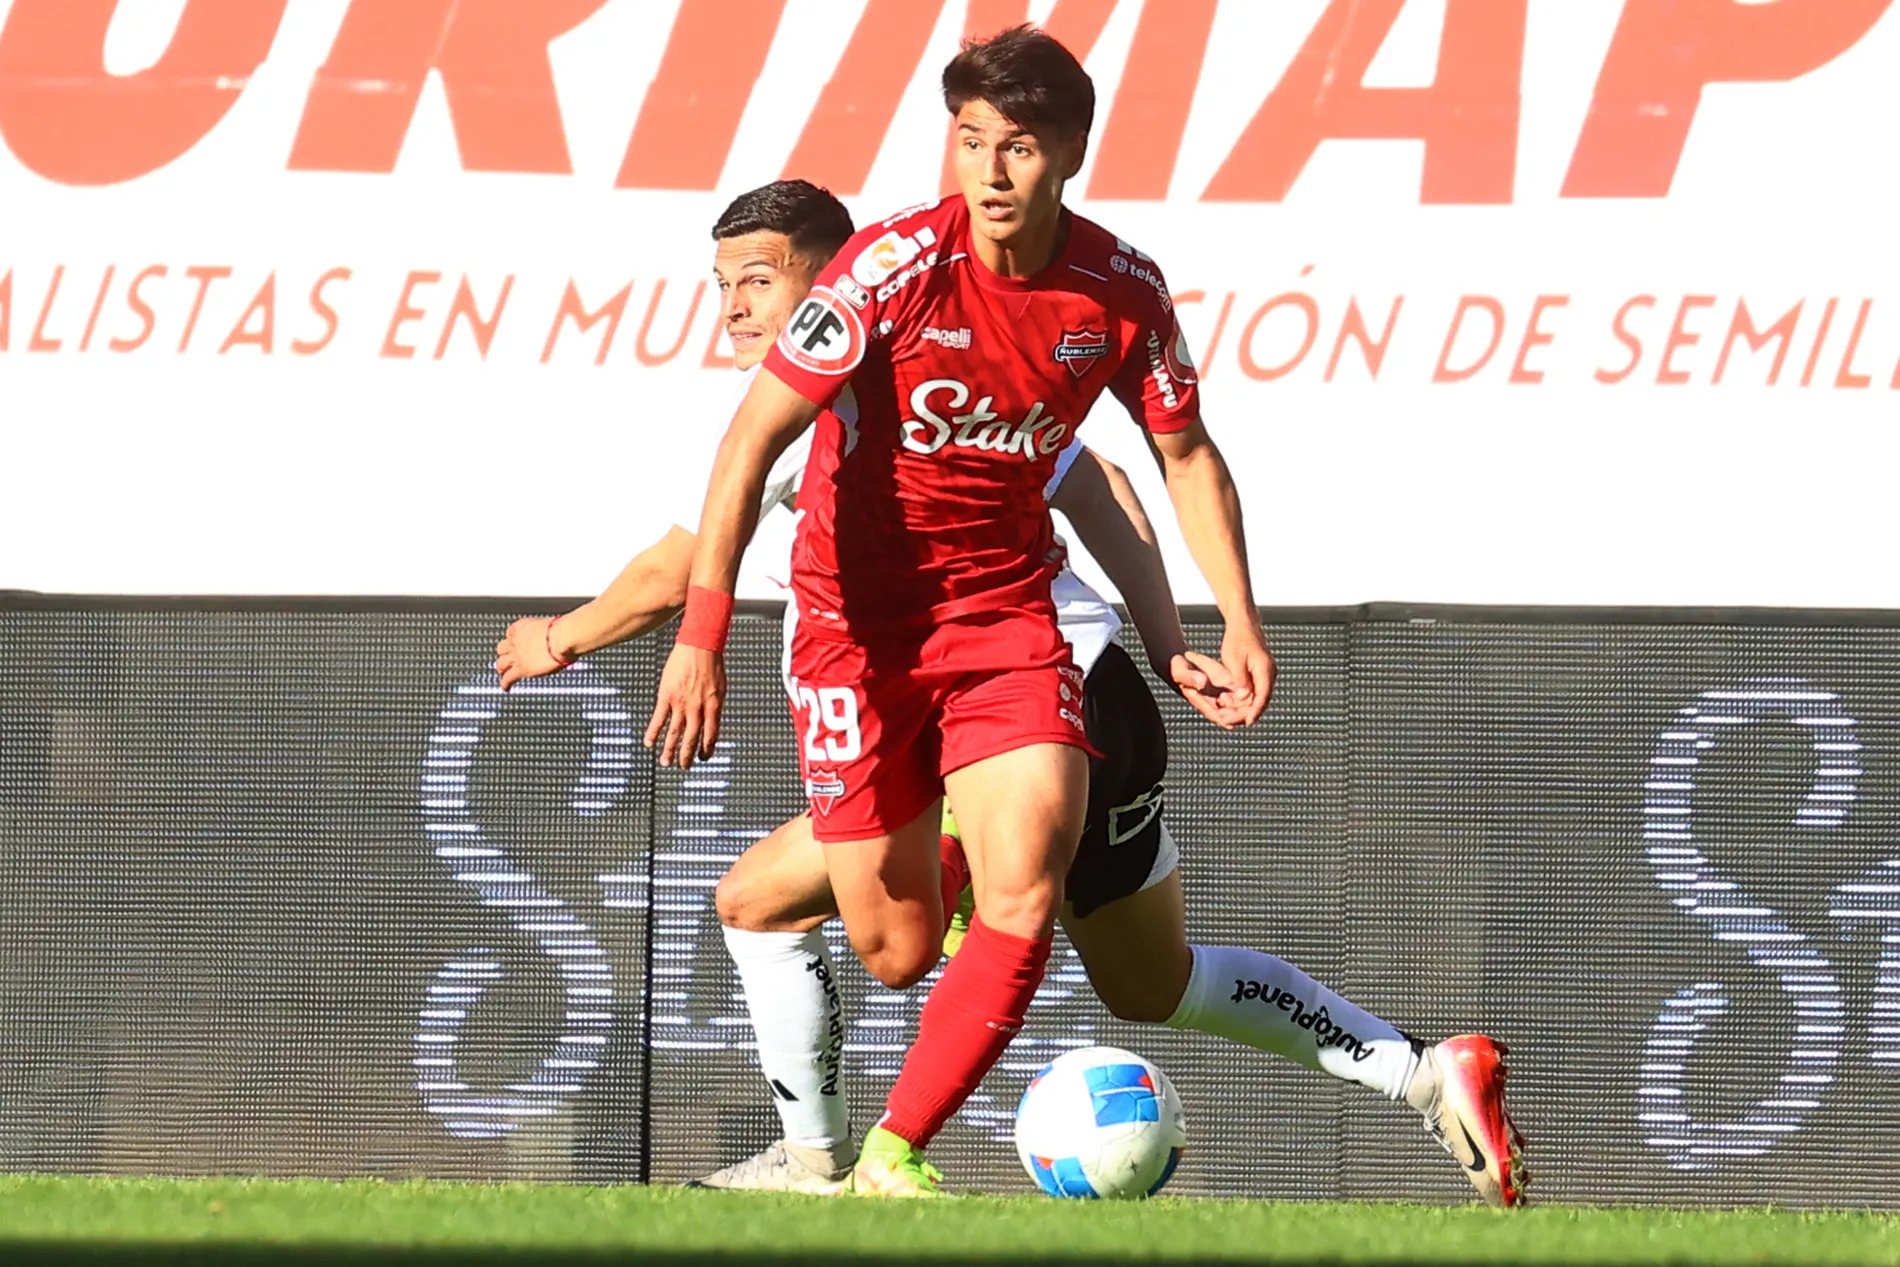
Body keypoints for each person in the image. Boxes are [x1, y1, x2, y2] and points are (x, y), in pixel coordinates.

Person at [645, 25, 1272, 1197]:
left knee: (1028, 874)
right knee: (888, 951)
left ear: (1067, 154)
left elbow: (1180, 456)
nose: (987, 172)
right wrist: (699, 634)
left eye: (1017, 147)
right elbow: (750, 442)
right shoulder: (884, 270)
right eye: (969, 141)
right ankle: (940, 872)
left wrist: (1224, 623)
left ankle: (889, 1160)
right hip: (856, 632)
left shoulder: (1120, 292)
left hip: (1003, 618)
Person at [700, 449, 1526, 1208]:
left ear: (827, 284)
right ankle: (1422, 1072)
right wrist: (1169, 641)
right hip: (1106, 698)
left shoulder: (821, 396)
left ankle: (850, 1161)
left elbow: (677, 568)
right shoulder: (933, 366)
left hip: (1008, 713)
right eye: (725, 279)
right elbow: (1110, 481)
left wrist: (567, 637)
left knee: (773, 901)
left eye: (760, 279)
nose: (735, 304)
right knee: (1152, 982)